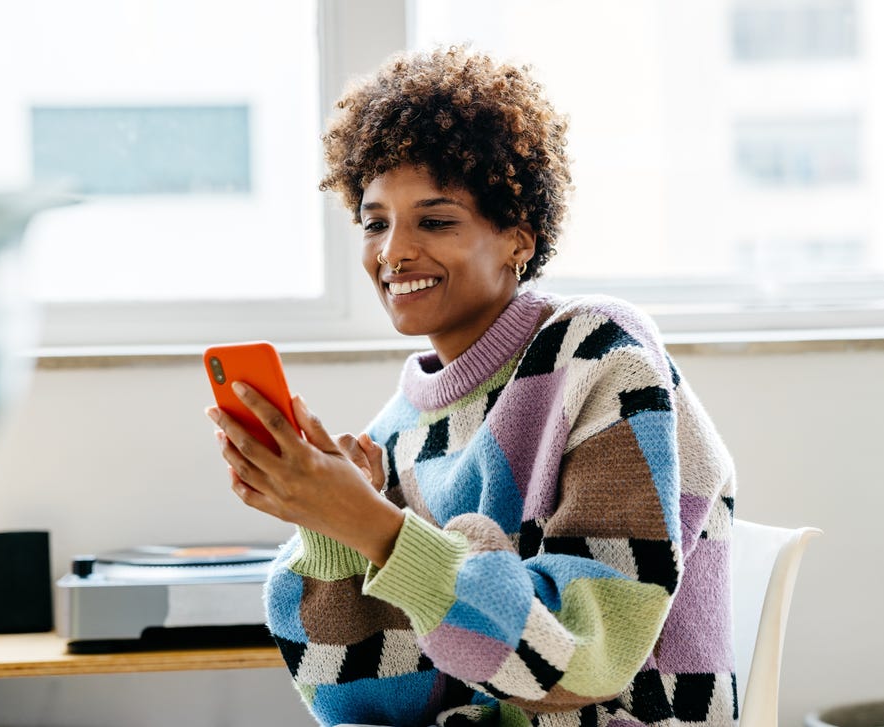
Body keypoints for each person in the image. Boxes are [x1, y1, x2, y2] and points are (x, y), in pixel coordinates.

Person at [207, 46, 737, 727]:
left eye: (434, 220)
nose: (393, 251)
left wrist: (376, 526)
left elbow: (581, 658)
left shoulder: (602, 358)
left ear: (519, 237)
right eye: (375, 222)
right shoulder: (403, 426)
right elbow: (364, 703)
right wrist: (334, 534)